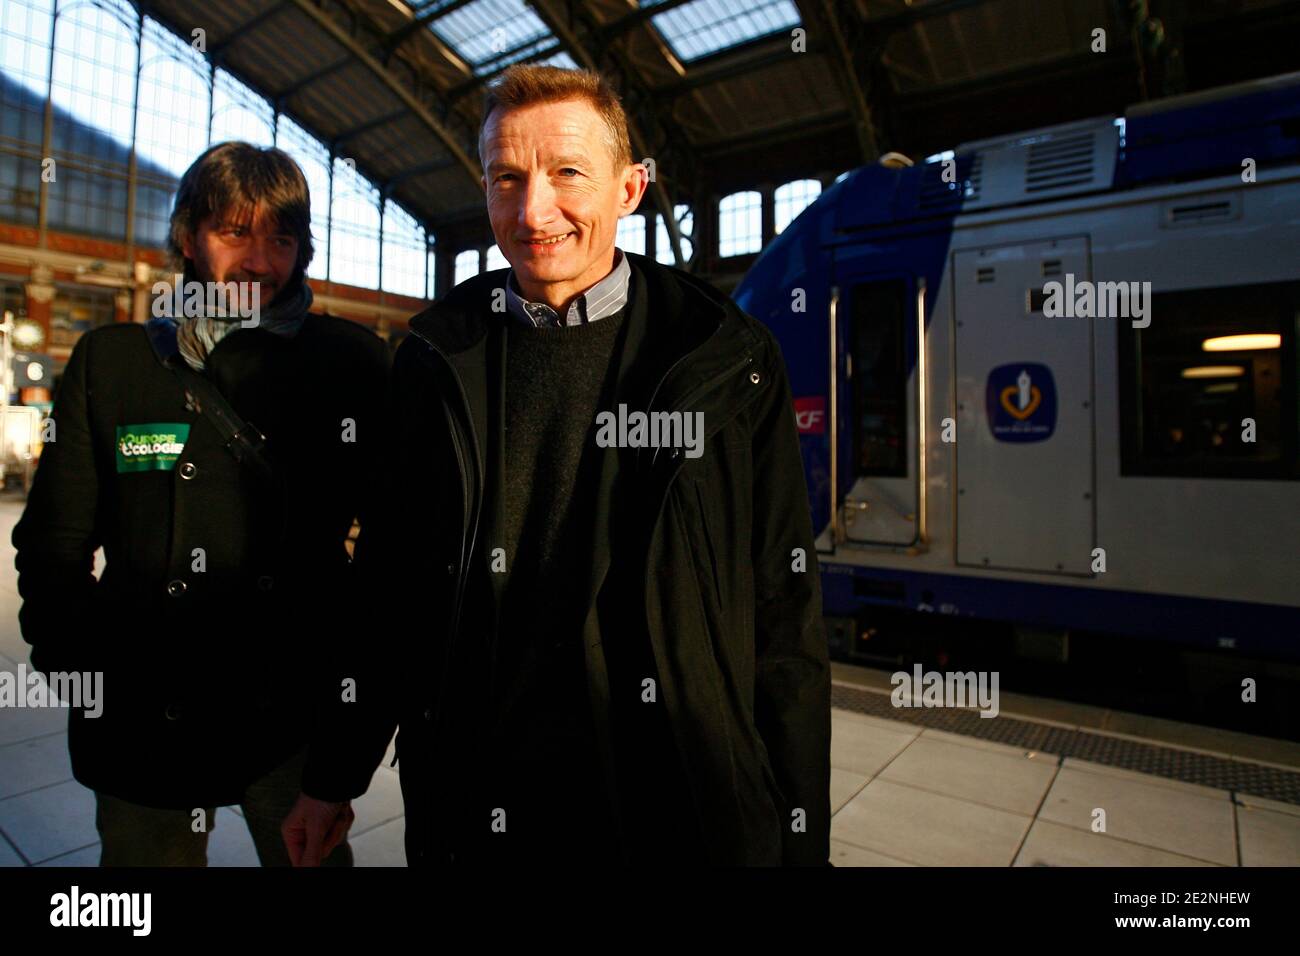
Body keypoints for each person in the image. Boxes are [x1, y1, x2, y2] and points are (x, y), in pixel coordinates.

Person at [305, 64, 830, 866]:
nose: (532, 210)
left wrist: (801, 837)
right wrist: (332, 772)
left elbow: (783, 614)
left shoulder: (724, 359)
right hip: (480, 797)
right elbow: (389, 587)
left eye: (567, 174)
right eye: (506, 178)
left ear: (630, 188)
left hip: (674, 796)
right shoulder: (437, 358)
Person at [11, 141, 389, 867]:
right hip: (144, 706)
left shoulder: (350, 365)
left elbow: (389, 552)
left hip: (292, 713)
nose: (259, 261)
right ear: (187, 236)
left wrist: (351, 722)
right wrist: (80, 662)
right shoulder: (115, 361)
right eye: (235, 233)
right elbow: (55, 538)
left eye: (281, 238)